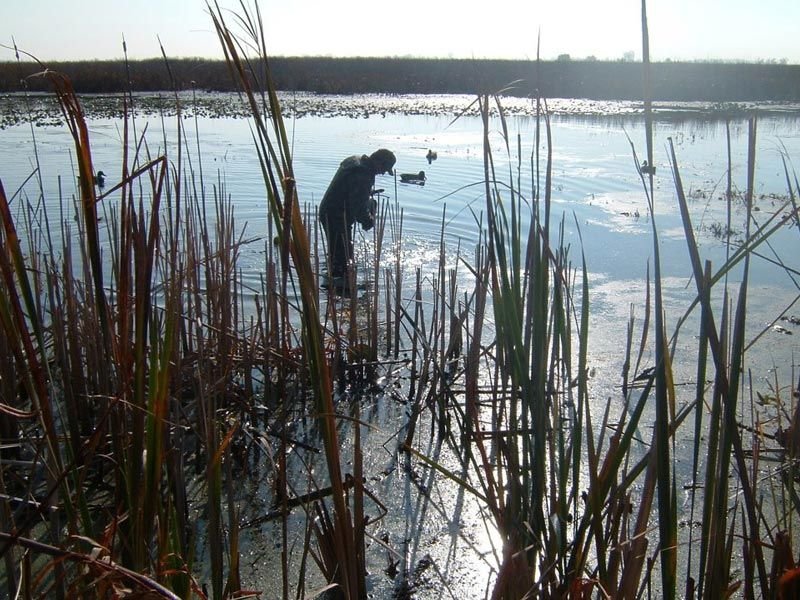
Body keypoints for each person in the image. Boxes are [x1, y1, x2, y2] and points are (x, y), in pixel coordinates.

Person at [318, 148, 396, 282]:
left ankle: (333, 286)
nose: (383, 173)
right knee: (344, 262)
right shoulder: (363, 175)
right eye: (384, 168)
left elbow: (349, 190)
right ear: (378, 161)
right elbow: (358, 208)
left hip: (329, 211)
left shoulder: (355, 160)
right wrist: (369, 221)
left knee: (337, 255)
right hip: (336, 217)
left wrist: (366, 193)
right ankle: (340, 290)